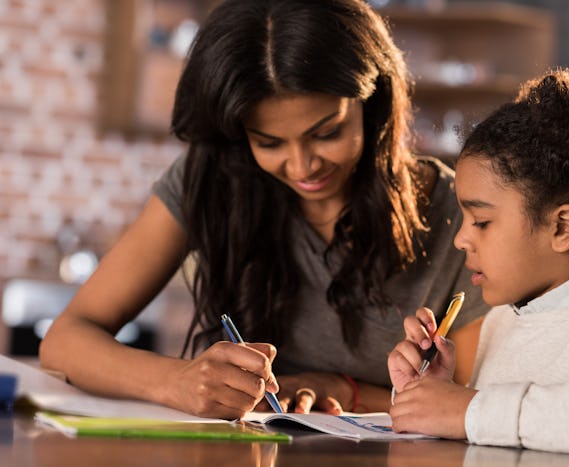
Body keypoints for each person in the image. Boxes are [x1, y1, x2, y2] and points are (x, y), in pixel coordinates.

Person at [39, 0, 488, 420]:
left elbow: (468, 400)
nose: (302, 166)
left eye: (326, 132)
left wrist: (342, 388)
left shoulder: (456, 214)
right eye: (268, 143)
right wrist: (178, 381)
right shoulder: (213, 177)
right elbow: (65, 341)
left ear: (373, 108)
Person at [387, 68, 569, 458]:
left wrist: (468, 409)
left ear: (562, 227)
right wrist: (432, 393)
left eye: (482, 222)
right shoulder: (504, 318)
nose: (460, 239)